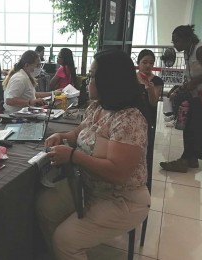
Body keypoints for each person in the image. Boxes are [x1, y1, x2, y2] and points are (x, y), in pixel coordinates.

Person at [36, 49, 150, 260]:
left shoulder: (129, 119)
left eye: (91, 76)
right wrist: (62, 136)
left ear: (109, 80)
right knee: (46, 206)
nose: (87, 81)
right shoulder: (98, 107)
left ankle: (67, 249)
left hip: (122, 199)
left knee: (65, 240)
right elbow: (78, 134)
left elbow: (118, 173)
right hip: (88, 187)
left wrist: (73, 156)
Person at [160, 25, 202, 173]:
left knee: (193, 128)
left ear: (187, 39)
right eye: (173, 41)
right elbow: (193, 72)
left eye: (177, 41)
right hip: (200, 95)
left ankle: (185, 160)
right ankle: (191, 159)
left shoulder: (201, 50)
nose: (174, 44)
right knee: (191, 126)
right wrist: (182, 86)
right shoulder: (188, 51)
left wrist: (194, 83)